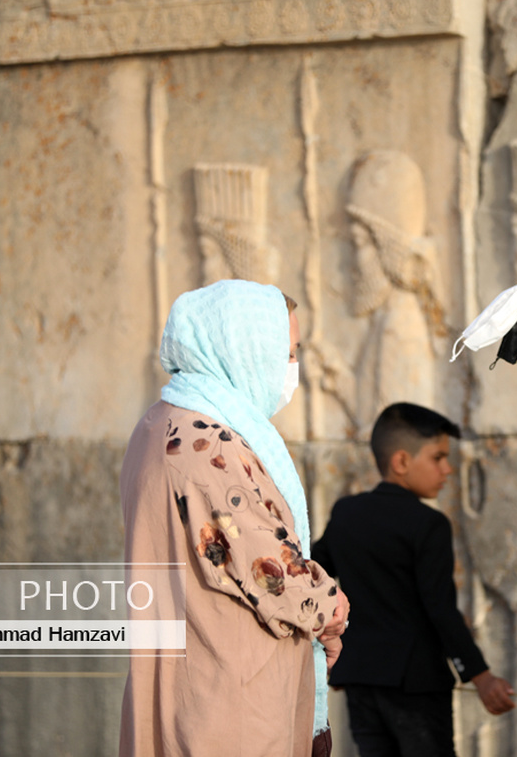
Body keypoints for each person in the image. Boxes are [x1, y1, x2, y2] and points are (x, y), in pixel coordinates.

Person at [119, 280, 348, 757]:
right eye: (285, 354)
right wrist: (331, 608)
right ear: (240, 352)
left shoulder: (159, 423)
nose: (292, 368)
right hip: (230, 694)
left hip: (187, 676)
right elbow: (270, 571)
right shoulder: (206, 444)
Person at [310, 403, 516, 756]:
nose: (448, 469)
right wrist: (480, 675)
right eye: (438, 458)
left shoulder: (346, 514)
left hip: (361, 680)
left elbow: (314, 576)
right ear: (401, 462)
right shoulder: (428, 524)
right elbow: (440, 609)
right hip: (416, 685)